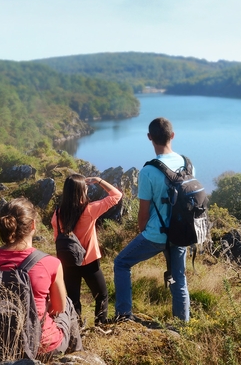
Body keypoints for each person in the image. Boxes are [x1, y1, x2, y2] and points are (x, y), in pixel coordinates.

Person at [0, 198, 82, 357]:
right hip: (42, 348)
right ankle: (78, 357)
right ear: (33, 225)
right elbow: (59, 308)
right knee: (68, 303)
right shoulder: (50, 263)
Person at [114, 117, 190, 322]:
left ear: (149, 137)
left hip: (157, 234)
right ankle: (182, 326)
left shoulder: (148, 171)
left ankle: (123, 315)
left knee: (121, 263)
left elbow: (143, 211)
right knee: (179, 279)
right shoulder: (186, 163)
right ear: (172, 135)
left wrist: (142, 231)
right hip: (182, 232)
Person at [51, 174, 122, 326]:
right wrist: (99, 181)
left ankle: (75, 329)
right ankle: (100, 325)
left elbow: (57, 239)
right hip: (89, 261)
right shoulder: (90, 210)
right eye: (86, 187)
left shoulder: (57, 215)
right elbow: (117, 195)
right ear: (81, 191)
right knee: (101, 295)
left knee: (73, 298)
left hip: (68, 263)